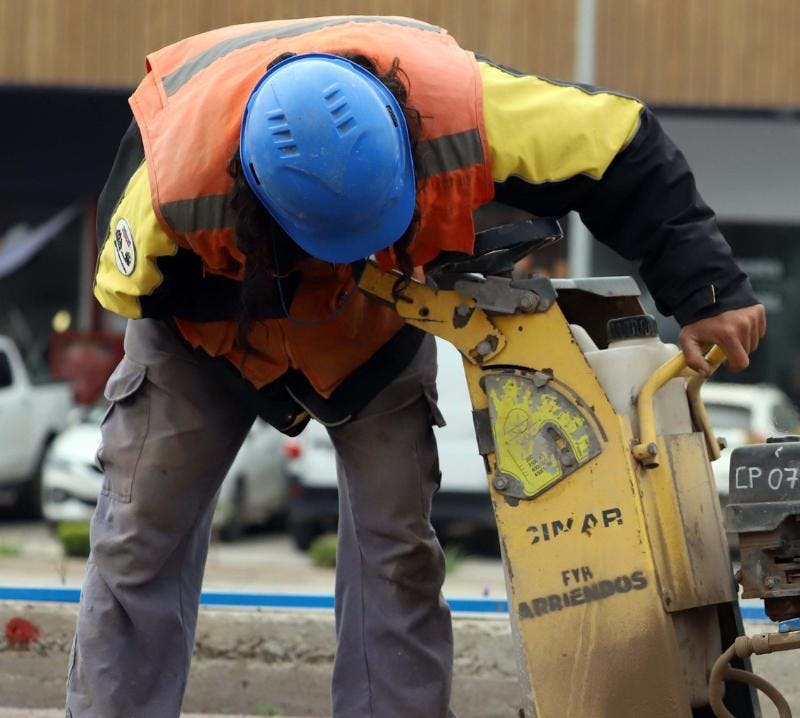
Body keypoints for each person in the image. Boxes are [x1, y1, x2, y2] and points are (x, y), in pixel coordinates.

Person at [70, 15, 764, 718]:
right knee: (137, 540)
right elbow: (131, 296)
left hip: (371, 318)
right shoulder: (167, 188)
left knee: (396, 550)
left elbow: (623, 145)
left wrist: (707, 291)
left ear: (404, 138)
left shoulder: (466, 109)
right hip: (205, 335)